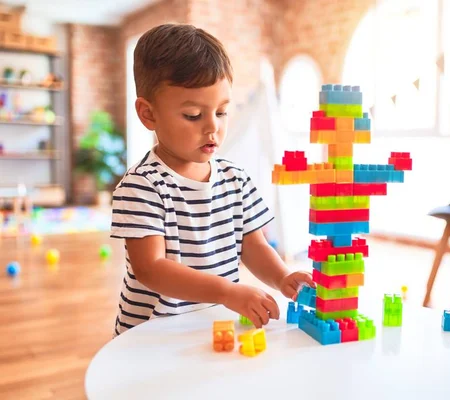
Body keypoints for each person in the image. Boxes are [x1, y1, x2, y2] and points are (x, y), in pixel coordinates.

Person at [110, 23, 314, 337]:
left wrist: (282, 277)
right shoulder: (142, 186)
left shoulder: (235, 179)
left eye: (221, 113)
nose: (212, 128)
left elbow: (253, 245)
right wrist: (227, 291)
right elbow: (151, 269)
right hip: (151, 336)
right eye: (193, 115)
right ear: (148, 114)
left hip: (211, 325)